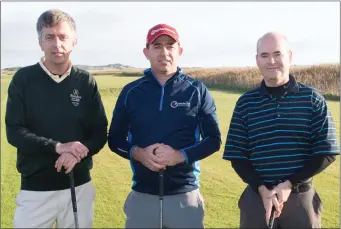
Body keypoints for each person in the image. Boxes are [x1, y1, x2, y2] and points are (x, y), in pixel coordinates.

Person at [108, 23, 221, 228]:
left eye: (170, 45)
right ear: (146, 52)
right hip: (142, 195)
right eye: (157, 46)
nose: (164, 52)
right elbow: (114, 139)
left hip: (185, 197)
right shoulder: (131, 92)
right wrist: (138, 153)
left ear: (179, 50)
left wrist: (180, 156)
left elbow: (214, 140)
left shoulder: (197, 90)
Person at [223, 31, 339, 228]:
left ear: (290, 57)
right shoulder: (245, 103)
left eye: (278, 54)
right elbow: (238, 156)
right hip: (257, 199)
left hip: (300, 199)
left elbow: (326, 152)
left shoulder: (312, 99)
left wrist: (288, 184)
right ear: (257, 60)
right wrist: (261, 188)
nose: (271, 61)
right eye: (265, 55)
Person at [5, 9, 108, 228]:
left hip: (79, 187)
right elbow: (14, 131)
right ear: (40, 42)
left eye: (63, 37)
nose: (57, 44)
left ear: (74, 41)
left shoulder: (85, 81)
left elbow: (99, 131)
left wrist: (78, 154)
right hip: (35, 190)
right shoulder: (23, 79)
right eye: (49, 37)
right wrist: (58, 147)